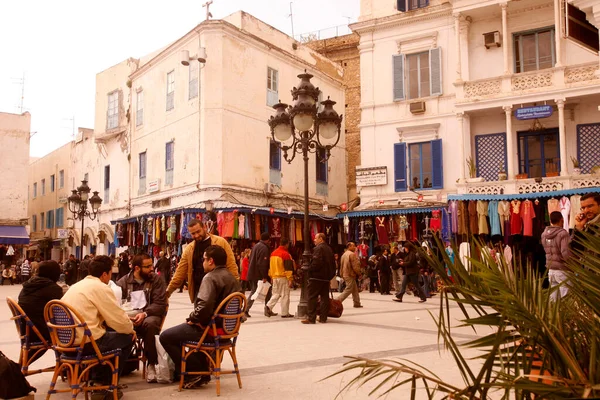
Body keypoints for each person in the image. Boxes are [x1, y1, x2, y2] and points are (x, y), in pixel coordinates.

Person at [160, 245, 240, 388]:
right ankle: (198, 369)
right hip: (229, 330)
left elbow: (203, 308)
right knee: (183, 332)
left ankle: (195, 372)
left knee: (166, 336)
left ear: (211, 261)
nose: (202, 262)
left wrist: (192, 318)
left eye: (204, 259)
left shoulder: (210, 278)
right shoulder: (232, 278)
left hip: (212, 330)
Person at [61, 255, 135, 397]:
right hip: (85, 344)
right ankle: (105, 385)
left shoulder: (77, 285)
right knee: (126, 338)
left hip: (65, 343)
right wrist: (131, 330)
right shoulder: (100, 287)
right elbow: (118, 319)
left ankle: (98, 381)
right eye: (110, 274)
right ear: (104, 274)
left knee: (108, 337)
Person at [117, 254, 167, 383]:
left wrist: (145, 313)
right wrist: (125, 316)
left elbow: (160, 304)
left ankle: (151, 364)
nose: (152, 268)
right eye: (148, 266)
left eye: (151, 265)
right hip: (128, 317)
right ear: (137, 268)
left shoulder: (156, 280)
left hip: (149, 316)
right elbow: (115, 303)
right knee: (113, 326)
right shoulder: (123, 282)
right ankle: (116, 365)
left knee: (150, 325)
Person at [167, 219, 239, 304]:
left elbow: (231, 266)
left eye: (198, 231)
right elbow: (180, 273)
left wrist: (236, 290)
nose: (196, 235)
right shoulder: (189, 249)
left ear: (204, 227)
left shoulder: (220, 242)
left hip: (220, 290)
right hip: (199, 292)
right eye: (193, 234)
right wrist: (167, 292)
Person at [18, 261, 63, 342]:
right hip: (42, 332)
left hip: (26, 330)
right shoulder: (52, 288)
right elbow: (63, 310)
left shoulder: (28, 285)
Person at [301, 233, 336, 324]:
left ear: (321, 238)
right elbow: (333, 265)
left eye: (316, 238)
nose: (314, 240)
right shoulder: (329, 249)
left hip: (316, 277)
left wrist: (310, 270)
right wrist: (329, 276)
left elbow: (316, 263)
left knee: (312, 297)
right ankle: (323, 318)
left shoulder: (318, 249)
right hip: (326, 278)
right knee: (324, 298)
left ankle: (311, 317)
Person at [542, 211, 572, 301]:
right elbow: (565, 252)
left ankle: (553, 314)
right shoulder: (563, 233)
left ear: (550, 220)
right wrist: (573, 265)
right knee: (567, 298)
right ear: (562, 220)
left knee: (554, 299)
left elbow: (545, 249)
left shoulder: (544, 234)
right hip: (563, 269)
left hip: (551, 270)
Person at [245, 232, 273, 317]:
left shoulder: (256, 246)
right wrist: (264, 276)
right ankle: (245, 310)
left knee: (267, 291)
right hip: (258, 274)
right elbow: (262, 263)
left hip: (253, 272)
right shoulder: (264, 248)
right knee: (254, 292)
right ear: (267, 240)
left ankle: (268, 309)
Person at [266, 238, 295, 318]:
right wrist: (290, 279)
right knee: (285, 295)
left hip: (275, 277)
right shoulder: (285, 254)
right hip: (283, 277)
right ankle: (285, 313)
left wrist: (271, 276)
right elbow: (288, 268)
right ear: (286, 244)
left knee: (276, 293)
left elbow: (270, 267)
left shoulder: (273, 253)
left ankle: (268, 305)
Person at [335, 241, 363, 308]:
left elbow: (340, 266)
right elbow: (355, 266)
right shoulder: (352, 254)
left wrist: (341, 274)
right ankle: (337, 301)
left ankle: (357, 303)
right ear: (349, 247)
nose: (355, 247)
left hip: (345, 274)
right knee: (349, 289)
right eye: (353, 246)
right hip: (350, 274)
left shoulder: (344, 254)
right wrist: (359, 273)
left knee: (354, 289)